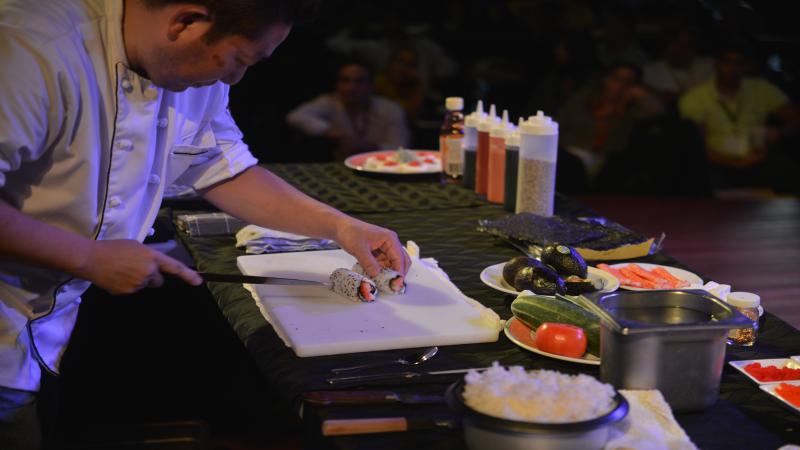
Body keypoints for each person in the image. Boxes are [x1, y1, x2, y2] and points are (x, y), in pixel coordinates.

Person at [0, 1, 412, 448]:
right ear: (187, 22)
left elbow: (223, 166)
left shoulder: (185, 65)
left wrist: (341, 227)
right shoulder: (29, 48)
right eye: (239, 60)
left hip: (48, 321)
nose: (235, 79)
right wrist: (86, 256)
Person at [678, 43, 800, 191]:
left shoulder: (761, 89)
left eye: (739, 63)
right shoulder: (696, 98)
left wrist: (779, 132)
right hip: (716, 162)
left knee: (786, 171)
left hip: (758, 157)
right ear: (716, 65)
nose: (733, 69)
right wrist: (735, 164)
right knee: (699, 177)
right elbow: (696, 146)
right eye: (727, 62)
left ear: (746, 66)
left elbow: (795, 119)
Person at [557, 63, 663, 182]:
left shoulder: (632, 108)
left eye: (627, 82)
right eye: (616, 79)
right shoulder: (584, 98)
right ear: (606, 78)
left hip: (605, 159)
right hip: (570, 151)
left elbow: (657, 109)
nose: (620, 85)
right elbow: (560, 123)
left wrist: (641, 95)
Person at [286, 61, 410, 161]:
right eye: (345, 81)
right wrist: (329, 130)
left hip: (383, 166)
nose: (351, 87)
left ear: (372, 85)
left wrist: (366, 146)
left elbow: (401, 148)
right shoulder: (330, 101)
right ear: (337, 85)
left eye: (359, 81)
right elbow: (295, 116)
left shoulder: (390, 109)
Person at [643, 28, 713, 106]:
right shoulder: (649, 72)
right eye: (677, 43)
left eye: (688, 45)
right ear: (667, 46)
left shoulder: (709, 66)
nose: (681, 49)